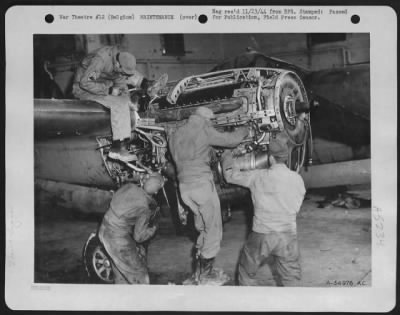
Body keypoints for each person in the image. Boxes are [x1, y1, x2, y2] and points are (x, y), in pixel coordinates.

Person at [169, 106, 249, 285]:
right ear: (205, 119)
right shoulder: (204, 129)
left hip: (184, 188)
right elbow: (231, 140)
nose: (211, 124)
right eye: (211, 121)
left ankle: (198, 273)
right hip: (201, 185)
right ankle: (206, 276)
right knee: (213, 229)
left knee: (202, 226)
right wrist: (245, 129)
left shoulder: (175, 133)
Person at [221, 130, 306, 286]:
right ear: (285, 158)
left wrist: (227, 155)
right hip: (287, 234)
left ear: (270, 158)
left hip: (262, 234)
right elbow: (297, 204)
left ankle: (251, 305)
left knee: (246, 272)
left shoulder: (258, 176)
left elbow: (229, 175)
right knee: (291, 276)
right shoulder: (297, 179)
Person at [73, 45, 167, 162]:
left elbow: (120, 83)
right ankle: (117, 148)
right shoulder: (101, 59)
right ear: (118, 65)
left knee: (123, 102)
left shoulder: (118, 62)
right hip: (84, 90)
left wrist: (128, 100)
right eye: (124, 72)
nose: (126, 76)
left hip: (101, 87)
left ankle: (147, 85)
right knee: (118, 104)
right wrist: (108, 91)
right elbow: (85, 83)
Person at [98, 172, 165, 284]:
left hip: (104, 230)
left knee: (121, 274)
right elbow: (139, 237)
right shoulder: (144, 207)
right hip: (117, 239)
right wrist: (153, 229)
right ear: (157, 191)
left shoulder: (129, 187)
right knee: (139, 274)